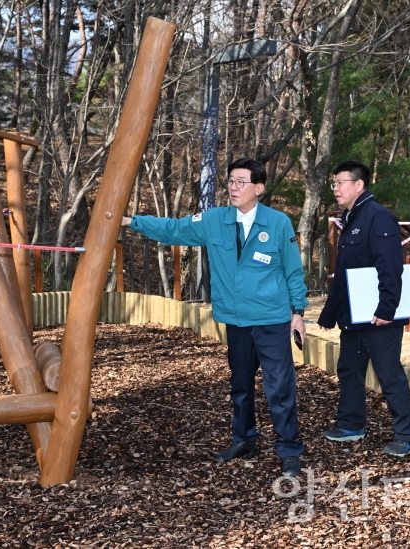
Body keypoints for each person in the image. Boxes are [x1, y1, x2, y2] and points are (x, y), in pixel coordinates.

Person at [121, 158, 308, 476]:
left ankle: (289, 449)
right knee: (240, 385)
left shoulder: (278, 224)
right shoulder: (214, 220)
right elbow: (175, 230)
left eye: (241, 182)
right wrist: (131, 222)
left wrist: (298, 313)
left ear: (258, 189)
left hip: (271, 320)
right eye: (231, 181)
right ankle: (244, 438)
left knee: (279, 387)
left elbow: (292, 270)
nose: (234, 187)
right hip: (235, 320)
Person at [317, 160, 410, 456]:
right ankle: (351, 424)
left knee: (388, 373)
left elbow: (390, 266)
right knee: (349, 369)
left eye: (340, 182)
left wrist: (387, 309)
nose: (335, 188)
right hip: (354, 315)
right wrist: (330, 313)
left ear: (358, 185)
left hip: (378, 316)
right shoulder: (351, 216)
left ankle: (408, 436)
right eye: (334, 183)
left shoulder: (377, 216)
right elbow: (346, 271)